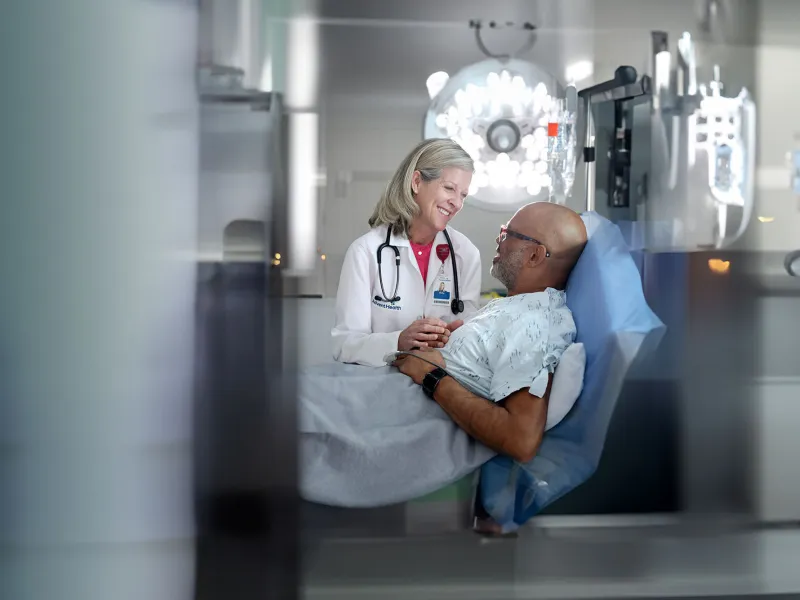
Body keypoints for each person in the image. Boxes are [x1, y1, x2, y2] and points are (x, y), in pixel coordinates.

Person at [299, 202, 588, 522]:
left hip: (390, 402)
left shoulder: (533, 324)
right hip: (376, 383)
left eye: (508, 233)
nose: (498, 239)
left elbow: (521, 439)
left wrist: (431, 375)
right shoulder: (513, 308)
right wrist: (451, 342)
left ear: (534, 255)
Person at [331, 139, 483, 367]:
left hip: (442, 390)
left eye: (463, 195)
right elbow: (344, 345)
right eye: (449, 188)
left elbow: (469, 337)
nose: (456, 203)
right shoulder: (366, 252)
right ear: (417, 181)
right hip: (380, 391)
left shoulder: (466, 254)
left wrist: (454, 337)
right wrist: (398, 341)